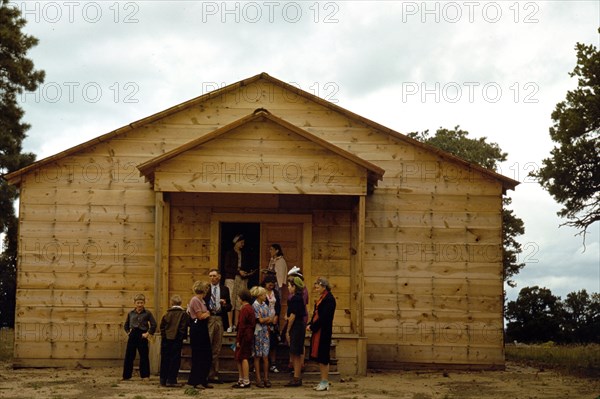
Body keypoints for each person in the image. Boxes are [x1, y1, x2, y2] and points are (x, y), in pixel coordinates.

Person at [308, 277, 337, 391]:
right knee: (320, 356)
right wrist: (311, 324)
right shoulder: (322, 298)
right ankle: (322, 380)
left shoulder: (329, 299)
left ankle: (325, 381)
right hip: (318, 330)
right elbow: (316, 313)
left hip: (323, 331)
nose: (316, 288)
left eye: (318, 286)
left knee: (324, 356)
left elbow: (324, 317)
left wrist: (313, 326)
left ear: (324, 287)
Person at [204, 268, 232, 383]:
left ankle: (214, 374)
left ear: (219, 277)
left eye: (214, 276)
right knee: (207, 345)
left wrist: (225, 304)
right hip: (209, 318)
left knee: (217, 346)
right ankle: (205, 373)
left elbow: (230, 306)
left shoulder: (225, 289)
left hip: (219, 317)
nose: (212, 278)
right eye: (210, 276)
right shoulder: (206, 289)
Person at [223, 234, 254, 332]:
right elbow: (227, 267)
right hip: (231, 279)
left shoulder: (244, 254)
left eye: (243, 243)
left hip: (242, 279)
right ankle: (230, 324)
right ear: (236, 242)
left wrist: (246, 273)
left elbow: (247, 266)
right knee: (231, 300)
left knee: (239, 300)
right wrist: (237, 272)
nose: (242, 245)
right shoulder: (230, 253)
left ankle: (236, 324)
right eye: (241, 243)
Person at [122, 293, 157, 381]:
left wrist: (148, 333)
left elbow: (154, 324)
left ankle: (145, 376)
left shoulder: (147, 313)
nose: (140, 305)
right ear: (134, 303)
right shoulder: (131, 313)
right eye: (138, 303)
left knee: (144, 355)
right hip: (133, 335)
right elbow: (126, 325)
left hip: (143, 335)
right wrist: (128, 333)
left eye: (141, 303)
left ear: (144, 303)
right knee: (129, 355)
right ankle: (126, 376)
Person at [186, 281, 213, 390]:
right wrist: (207, 314)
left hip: (203, 328)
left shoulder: (202, 301)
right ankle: (196, 381)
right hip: (197, 328)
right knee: (198, 354)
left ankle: (203, 379)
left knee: (206, 354)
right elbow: (201, 316)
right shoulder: (195, 300)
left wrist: (206, 314)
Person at [159, 295, 190, 388]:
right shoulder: (183, 314)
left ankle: (163, 379)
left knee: (165, 359)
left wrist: (164, 337)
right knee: (175, 360)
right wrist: (180, 337)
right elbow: (183, 327)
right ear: (180, 303)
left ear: (171, 303)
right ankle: (172, 380)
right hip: (176, 340)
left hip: (166, 340)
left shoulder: (166, 313)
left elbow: (162, 327)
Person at [284, 276, 306, 387]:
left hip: (296, 326)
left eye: (289, 286)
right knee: (295, 352)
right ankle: (296, 377)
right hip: (299, 326)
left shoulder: (295, 299)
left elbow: (293, 315)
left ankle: (297, 377)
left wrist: (287, 330)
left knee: (296, 352)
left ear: (294, 287)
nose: (288, 288)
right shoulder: (299, 298)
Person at [232, 288, 255, 389]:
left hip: (244, 336)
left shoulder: (245, 309)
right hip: (248, 334)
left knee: (243, 357)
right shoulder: (249, 308)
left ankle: (246, 380)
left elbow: (241, 325)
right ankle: (241, 379)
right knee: (239, 357)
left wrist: (238, 339)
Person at [251, 285, 272, 388]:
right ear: (259, 295)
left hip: (265, 332)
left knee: (265, 355)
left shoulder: (265, 305)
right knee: (257, 356)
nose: (265, 296)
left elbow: (269, 318)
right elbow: (259, 320)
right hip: (257, 332)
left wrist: (265, 319)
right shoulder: (254, 306)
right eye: (264, 294)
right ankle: (258, 378)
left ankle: (266, 378)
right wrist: (265, 319)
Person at [263, 274, 281, 374]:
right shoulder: (261, 292)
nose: (271, 286)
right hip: (264, 320)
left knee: (273, 343)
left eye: (273, 284)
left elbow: (278, 306)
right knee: (263, 342)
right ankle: (262, 363)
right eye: (269, 284)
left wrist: (276, 316)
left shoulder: (276, 293)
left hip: (273, 320)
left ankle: (273, 364)